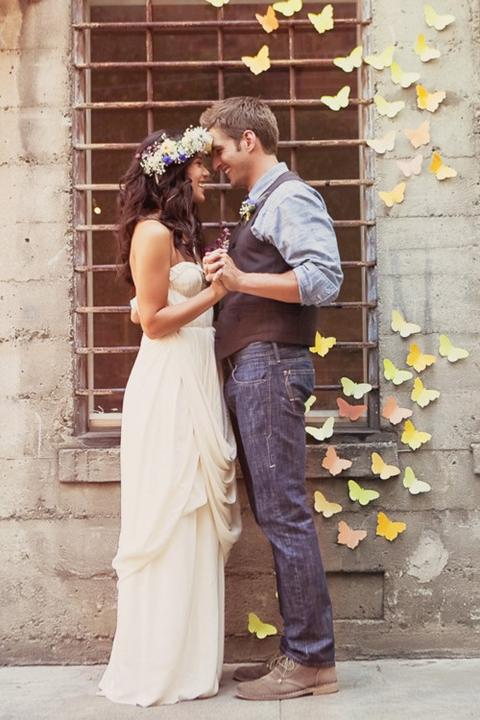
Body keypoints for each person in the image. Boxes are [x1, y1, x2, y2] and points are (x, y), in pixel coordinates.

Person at [200, 97, 343, 701]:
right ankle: (300, 652)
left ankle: (311, 661)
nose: (216, 163)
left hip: (271, 366)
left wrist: (240, 280)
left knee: (284, 513)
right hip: (255, 368)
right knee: (276, 512)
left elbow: (324, 277)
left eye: (220, 149)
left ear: (248, 141)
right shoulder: (262, 204)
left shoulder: (289, 197)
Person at [98, 126, 241, 707]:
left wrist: (207, 284)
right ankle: (159, 666)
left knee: (198, 515)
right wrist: (215, 293)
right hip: (168, 383)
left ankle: (193, 662)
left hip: (197, 374)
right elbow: (154, 323)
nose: (208, 173)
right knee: (173, 509)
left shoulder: (180, 234)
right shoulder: (153, 232)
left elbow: (150, 309)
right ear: (176, 173)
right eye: (199, 166)